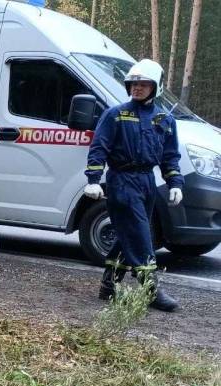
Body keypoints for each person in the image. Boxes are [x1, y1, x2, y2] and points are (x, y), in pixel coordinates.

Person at [84, 59, 183, 312]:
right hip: (122, 181)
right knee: (141, 235)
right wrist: (93, 180)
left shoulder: (165, 120)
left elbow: (170, 156)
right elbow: (99, 148)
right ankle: (151, 289)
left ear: (156, 87)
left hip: (147, 182)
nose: (137, 88)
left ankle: (108, 286)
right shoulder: (115, 115)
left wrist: (175, 183)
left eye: (143, 84)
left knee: (129, 234)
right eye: (133, 84)